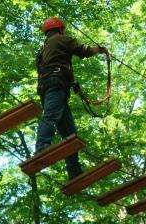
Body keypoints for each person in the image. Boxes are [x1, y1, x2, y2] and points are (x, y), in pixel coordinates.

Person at [35, 17, 109, 180]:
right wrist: (100, 49)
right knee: (50, 116)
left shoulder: (43, 49)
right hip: (56, 84)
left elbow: (45, 67)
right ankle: (41, 148)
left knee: (69, 134)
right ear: (60, 29)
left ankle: (74, 172)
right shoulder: (62, 39)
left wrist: (70, 81)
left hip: (48, 86)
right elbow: (85, 51)